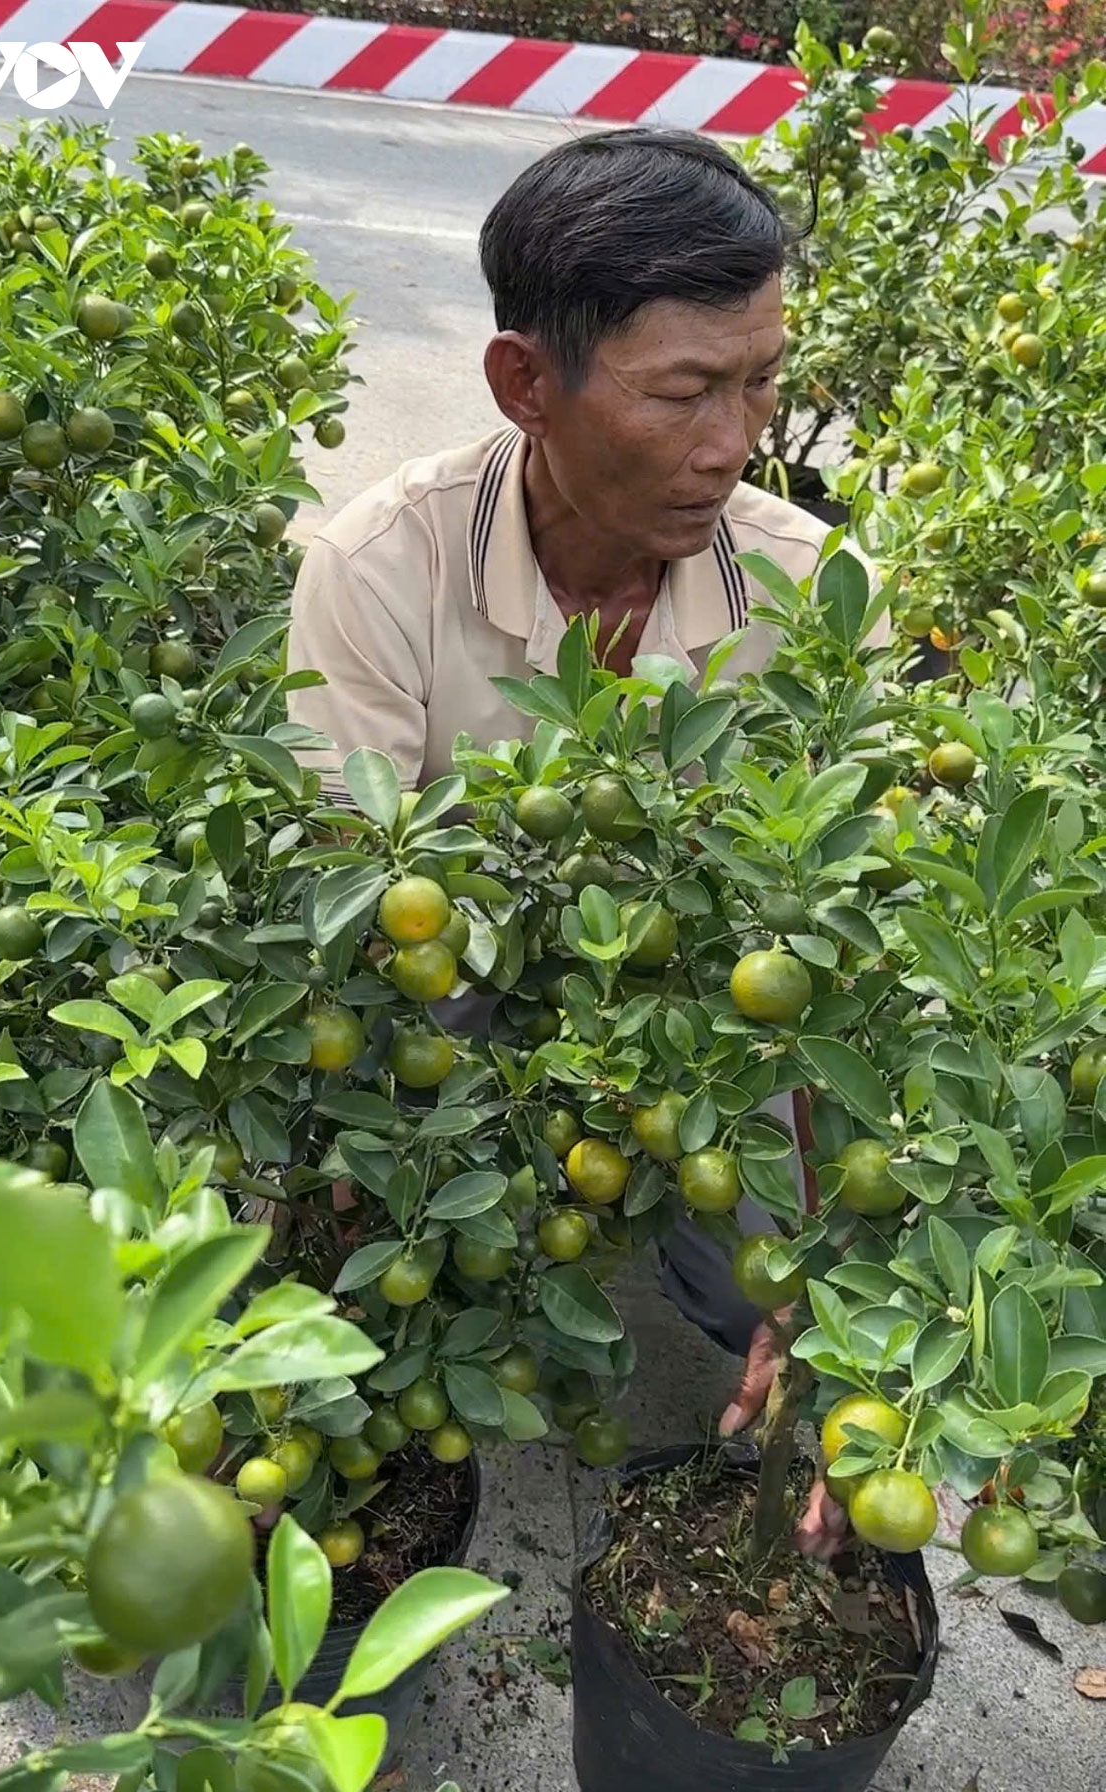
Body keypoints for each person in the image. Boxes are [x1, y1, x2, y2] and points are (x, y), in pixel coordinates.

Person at [288, 127, 854, 1554]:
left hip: (701, 1023)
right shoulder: (377, 572)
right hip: (455, 1000)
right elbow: (343, 916)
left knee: (794, 1292)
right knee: (370, 1246)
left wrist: (836, 1287)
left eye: (761, 383)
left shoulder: (809, 588)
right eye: (682, 393)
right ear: (525, 383)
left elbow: (830, 938)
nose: (733, 446)